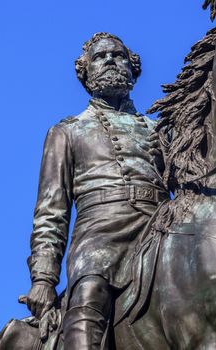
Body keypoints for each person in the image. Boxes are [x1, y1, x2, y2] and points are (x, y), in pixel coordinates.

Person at [25, 32, 169, 349]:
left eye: (117, 55)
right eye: (100, 57)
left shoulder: (159, 130)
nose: (109, 61)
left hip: (159, 227)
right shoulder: (67, 131)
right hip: (99, 234)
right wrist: (44, 278)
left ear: (133, 69)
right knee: (89, 299)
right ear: (86, 73)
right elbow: (51, 211)